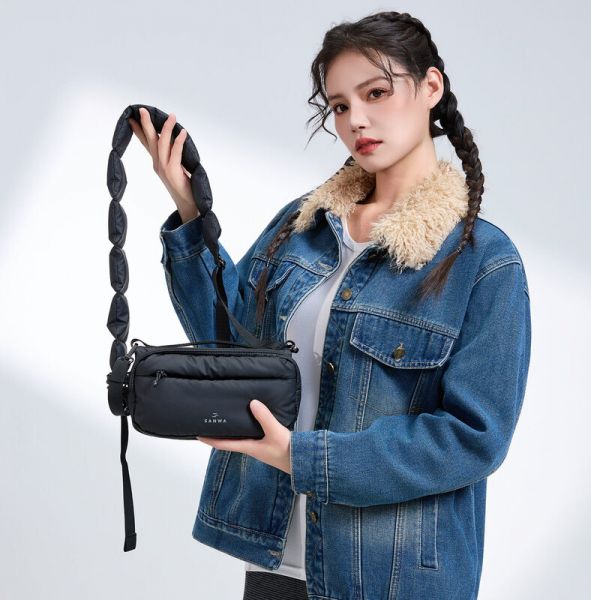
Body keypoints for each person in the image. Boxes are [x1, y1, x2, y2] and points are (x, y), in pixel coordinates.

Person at [128, 10, 531, 600]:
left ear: (431, 87)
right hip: (278, 566)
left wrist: (304, 457)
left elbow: (472, 438)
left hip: (393, 578)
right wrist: (191, 212)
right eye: (340, 105)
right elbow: (233, 349)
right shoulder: (303, 226)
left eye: (376, 93)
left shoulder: (483, 262)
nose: (356, 120)